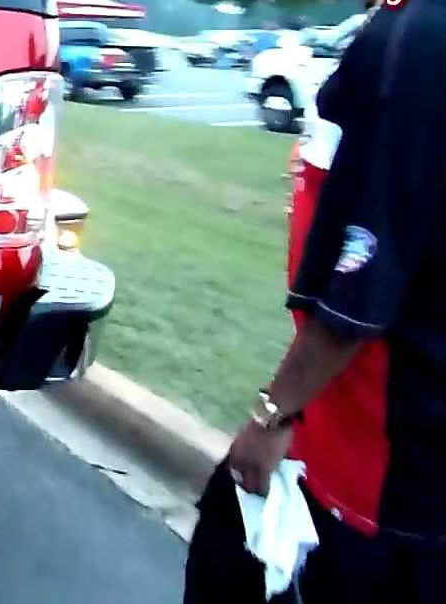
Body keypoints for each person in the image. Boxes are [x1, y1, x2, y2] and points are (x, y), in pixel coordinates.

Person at [184, 0, 445, 601]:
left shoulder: (419, 38)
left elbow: (366, 275)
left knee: (225, 568)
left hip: (372, 463)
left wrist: (274, 414)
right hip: (376, 435)